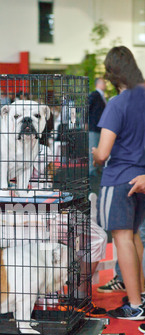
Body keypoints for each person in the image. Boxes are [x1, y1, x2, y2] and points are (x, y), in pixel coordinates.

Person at [92, 46, 145, 320]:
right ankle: (141, 296)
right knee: (134, 236)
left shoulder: (116, 104)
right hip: (141, 179)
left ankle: (135, 305)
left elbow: (102, 153)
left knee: (123, 238)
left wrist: (93, 154)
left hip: (119, 179)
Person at [88, 77, 107, 192]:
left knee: (98, 147)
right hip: (94, 127)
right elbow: (88, 108)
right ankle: (92, 170)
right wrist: (86, 122)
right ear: (98, 83)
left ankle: (97, 168)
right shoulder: (95, 94)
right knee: (93, 147)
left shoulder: (102, 96)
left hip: (100, 128)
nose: (105, 84)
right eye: (103, 82)